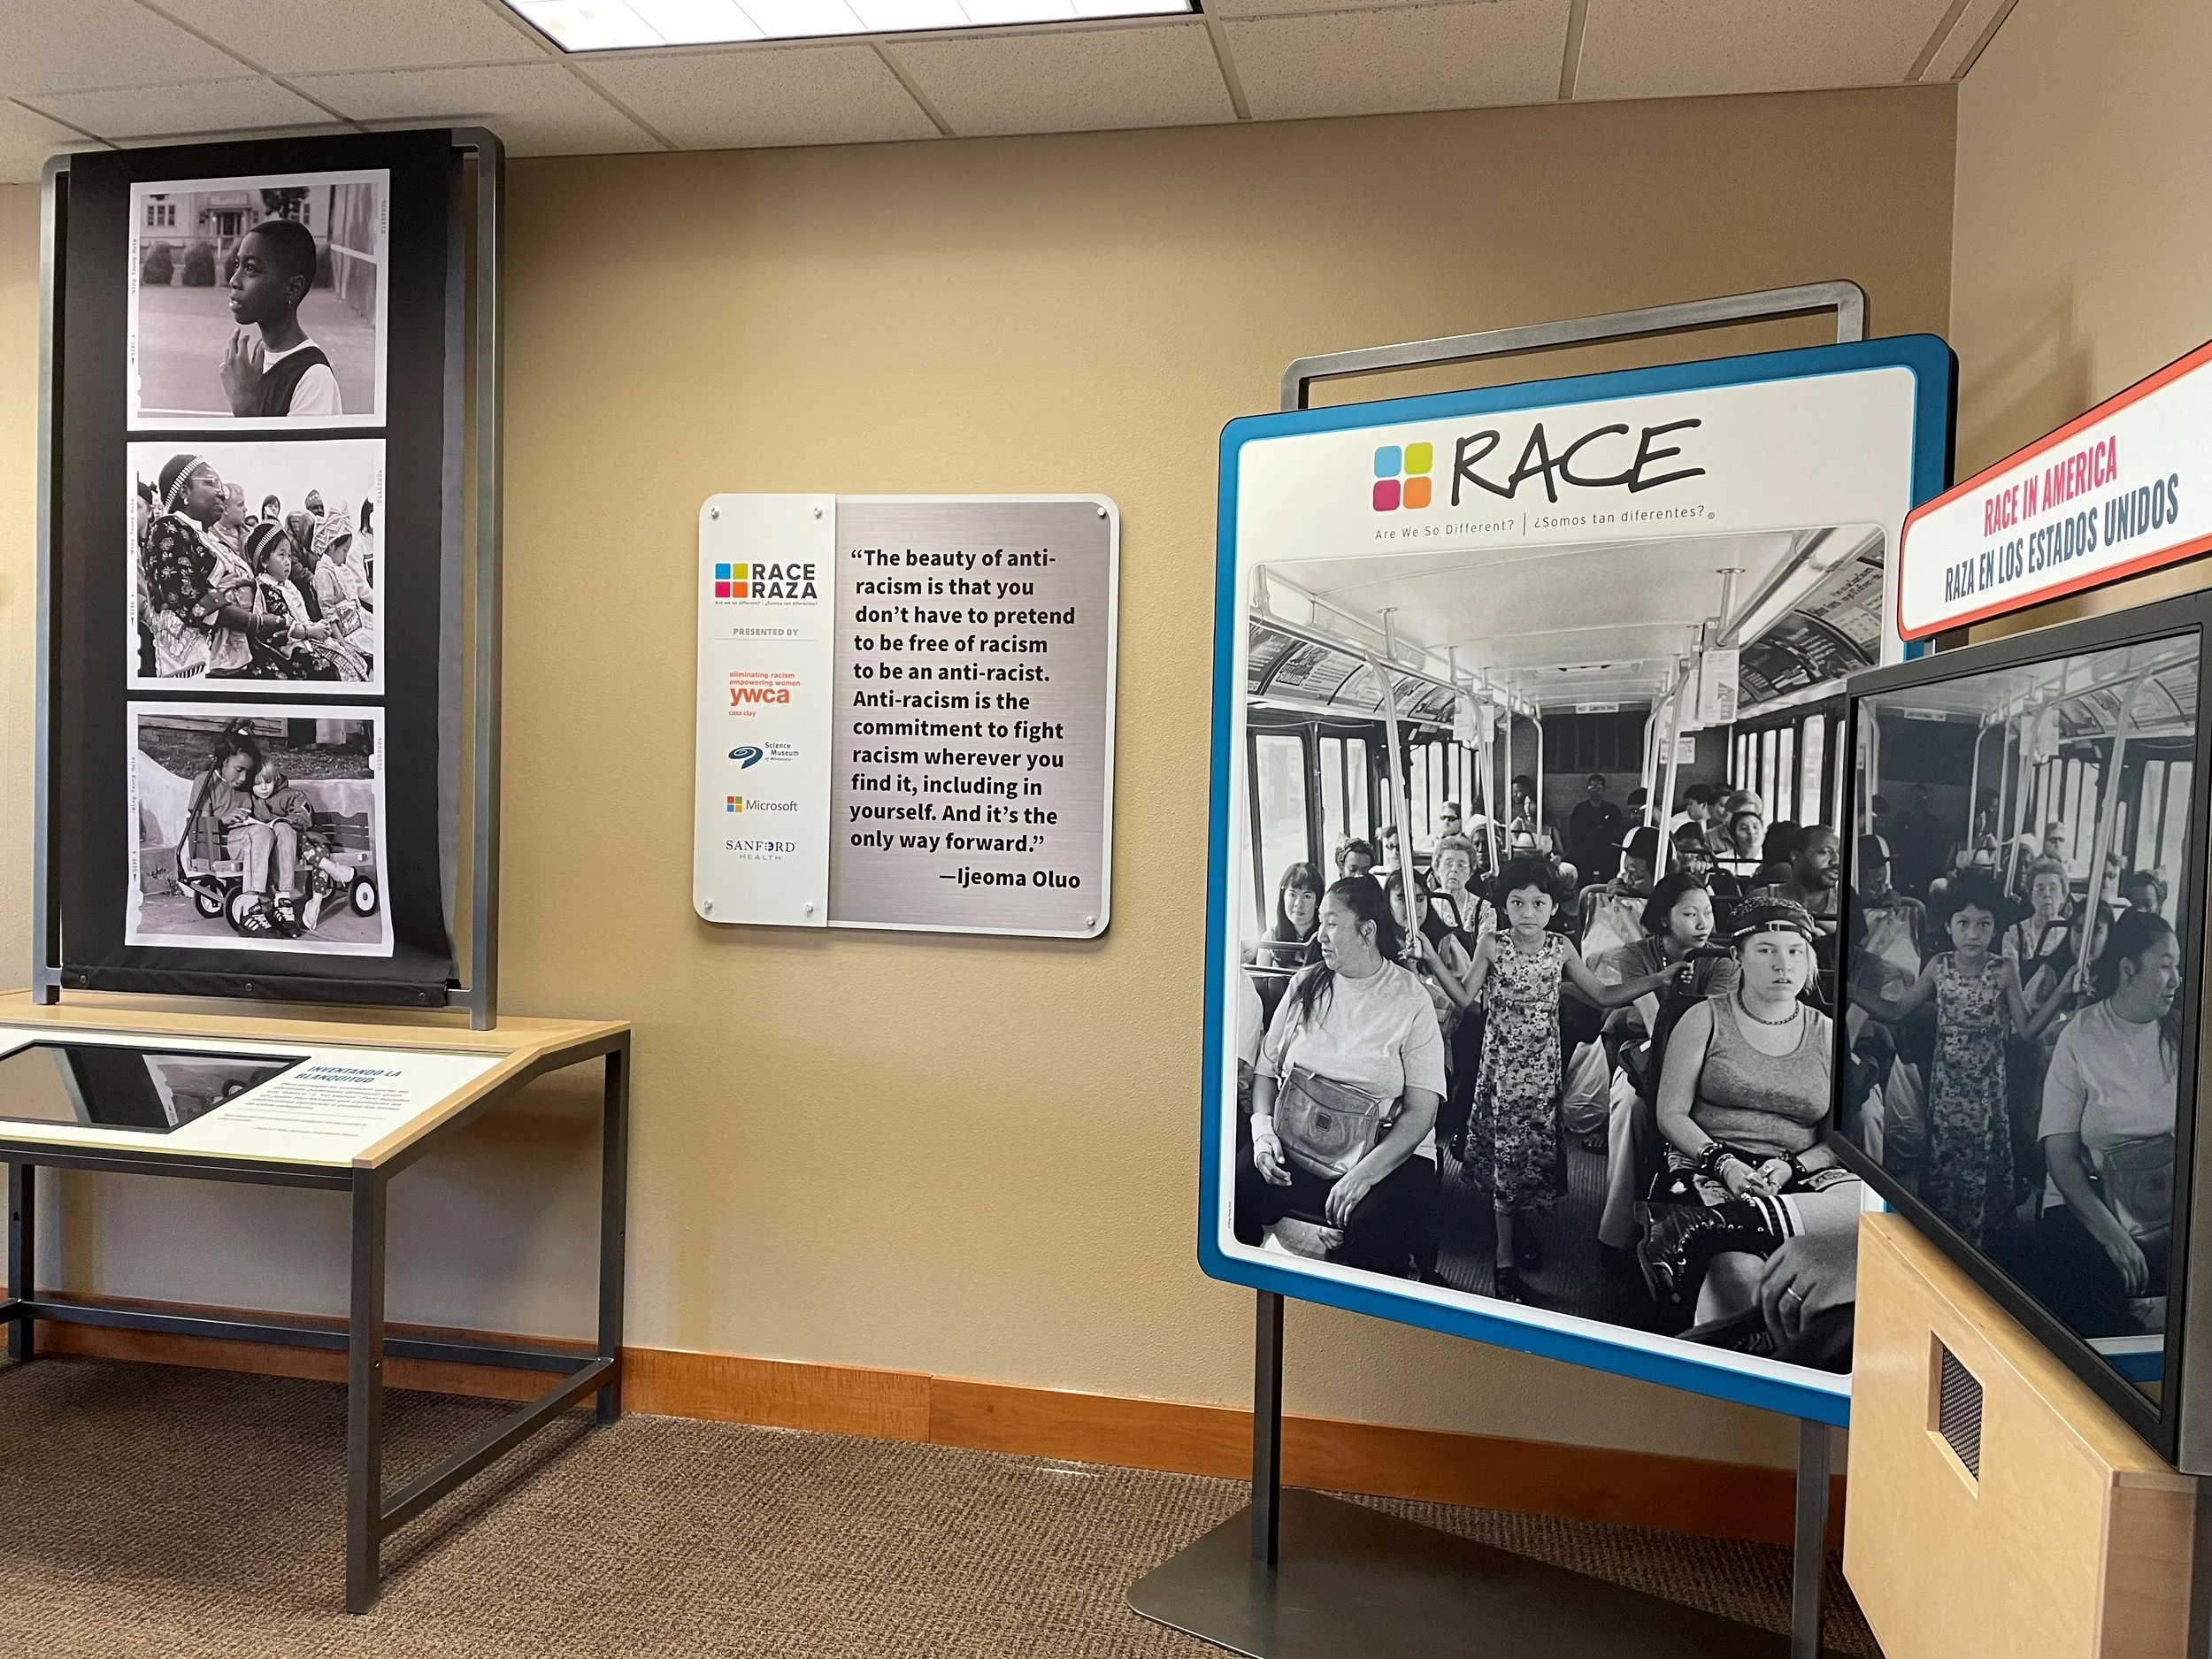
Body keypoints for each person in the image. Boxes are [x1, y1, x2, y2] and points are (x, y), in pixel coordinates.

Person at [1635, 899, 1861, 1357]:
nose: (1783, 964)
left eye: (1796, 952)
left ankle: (1706, 1228)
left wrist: (1790, 1167)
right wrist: (1726, 1165)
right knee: (1741, 1277)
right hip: (1712, 1161)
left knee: (1870, 1214)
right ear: (1737, 957)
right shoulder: (1704, 1018)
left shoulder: (1828, 1033)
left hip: (1801, 1173)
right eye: (1766, 950)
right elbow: (1671, 1113)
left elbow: (1840, 1139)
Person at [1461, 856, 1685, 1302]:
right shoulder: (1491, 945)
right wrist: (1430, 958)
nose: (1528, 912)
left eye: (1538, 902)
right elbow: (1467, 999)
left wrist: (1656, 979)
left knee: (1528, 1156)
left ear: (1552, 906)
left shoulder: (1561, 947)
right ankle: (1503, 1261)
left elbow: (1601, 994)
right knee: (1506, 1157)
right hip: (1502, 1068)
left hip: (1543, 1070)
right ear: (1504, 906)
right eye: (1518, 902)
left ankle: (1517, 1229)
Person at [1237, 877, 1446, 1277]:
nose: (1320, 935)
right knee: (1236, 1189)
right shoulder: (1307, 983)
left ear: (1367, 930)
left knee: (1373, 1229)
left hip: (1385, 1148)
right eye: (1320, 923)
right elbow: (1266, 1072)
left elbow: (1422, 1112)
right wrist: (1263, 1133)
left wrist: (1364, 1176)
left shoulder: (1410, 998)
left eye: (1332, 924)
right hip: (1300, 1133)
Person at [1851, 872, 2061, 1245]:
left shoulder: (2004, 971)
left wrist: (2062, 993)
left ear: (1995, 928)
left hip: (1987, 1091)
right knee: (1946, 1162)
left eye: (1984, 924)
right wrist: (1850, 991)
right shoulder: (1939, 967)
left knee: (1982, 1162)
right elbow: (1898, 1010)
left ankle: (1981, 1248)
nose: (1973, 934)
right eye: (1963, 924)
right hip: (1947, 1088)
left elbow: (2026, 1031)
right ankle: (1945, 1244)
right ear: (1949, 927)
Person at [2001, 909, 2184, 1337]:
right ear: (2127, 969)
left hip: (2166, 1193)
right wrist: (2112, 1234)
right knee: (2086, 1284)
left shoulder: (2182, 1034)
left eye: (2177, 967)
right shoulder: (2081, 1036)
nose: (2176, 980)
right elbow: (2060, 1155)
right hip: (2090, 1193)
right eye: (2165, 967)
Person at [1594, 873, 1741, 1256]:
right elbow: (1653, 1020)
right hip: (1647, 1053)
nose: (1703, 923)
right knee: (1629, 1107)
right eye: (1691, 914)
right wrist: (1672, 990)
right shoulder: (1636, 956)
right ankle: (1616, 1228)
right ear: (1664, 920)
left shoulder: (1721, 962)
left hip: (1706, 1057)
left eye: (1708, 912)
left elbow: (1713, 1027)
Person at [220, 219, 342, 419]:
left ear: (293, 288)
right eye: (237, 265)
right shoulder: (261, 355)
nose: (234, 280)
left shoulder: (314, 378)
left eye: (250, 268)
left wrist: (244, 408)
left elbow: (293, 451)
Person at [175, 727, 288, 940]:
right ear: (223, 760)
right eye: (239, 769)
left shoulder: (246, 787)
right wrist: (223, 819)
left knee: (268, 832)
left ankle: (269, 904)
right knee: (262, 834)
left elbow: (279, 782)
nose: (243, 777)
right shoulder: (205, 782)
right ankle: (249, 908)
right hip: (216, 846)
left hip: (245, 841)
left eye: (248, 771)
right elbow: (198, 825)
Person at [251, 761, 354, 933]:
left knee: (317, 850)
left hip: (305, 840)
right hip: (281, 849)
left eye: (267, 782)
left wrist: (284, 822)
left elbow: (304, 817)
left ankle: (315, 903)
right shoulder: (252, 801)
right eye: (257, 783)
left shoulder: (291, 795)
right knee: (316, 854)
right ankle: (333, 872)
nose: (263, 788)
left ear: (275, 780)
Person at [1255, 862, 1325, 1022]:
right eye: (1292, 894)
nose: (1298, 904)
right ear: (1283, 897)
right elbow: (1261, 994)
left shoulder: (1326, 939)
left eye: (1307, 896)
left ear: (1317, 902)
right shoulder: (1269, 940)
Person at [1567, 775, 1625, 887]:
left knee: (1608, 880)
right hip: (1585, 851)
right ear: (1587, 789)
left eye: (1598, 787)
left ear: (1603, 789)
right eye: (1592, 787)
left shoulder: (1612, 810)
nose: (1595, 790)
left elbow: (1615, 833)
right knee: (1583, 881)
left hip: (1606, 852)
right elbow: (1574, 833)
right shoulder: (1580, 809)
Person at [1890, 785, 1947, 898]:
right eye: (1915, 796)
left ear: (1926, 799)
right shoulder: (1902, 819)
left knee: (1923, 895)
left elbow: (1936, 844)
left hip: (1924, 866)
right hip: (1905, 864)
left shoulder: (1931, 820)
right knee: (1903, 895)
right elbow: (1894, 840)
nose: (1918, 800)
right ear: (1911, 798)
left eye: (1922, 796)